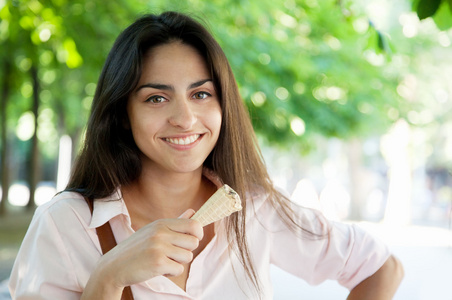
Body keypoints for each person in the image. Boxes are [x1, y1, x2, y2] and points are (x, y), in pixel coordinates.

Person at [9, 11, 403, 300]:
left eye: (201, 94)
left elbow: (382, 268)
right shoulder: (65, 225)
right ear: (122, 114)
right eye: (157, 98)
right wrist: (109, 277)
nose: (184, 118)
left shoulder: (255, 209)